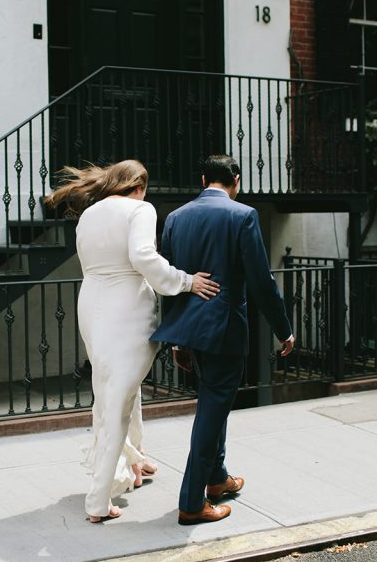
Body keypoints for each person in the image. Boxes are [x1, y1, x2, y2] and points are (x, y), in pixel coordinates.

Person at [45, 159, 220, 523]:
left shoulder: (89, 215)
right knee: (117, 402)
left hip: (91, 303)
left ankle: (135, 460)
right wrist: (186, 281)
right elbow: (143, 256)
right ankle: (98, 501)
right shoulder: (140, 209)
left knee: (117, 388)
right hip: (125, 307)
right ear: (139, 186)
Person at [151, 154, 295, 525]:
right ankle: (191, 501)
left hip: (191, 330)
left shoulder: (176, 217)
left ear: (203, 179)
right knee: (212, 411)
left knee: (214, 402)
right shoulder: (242, 215)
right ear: (237, 179)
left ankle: (217, 479)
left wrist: (179, 340)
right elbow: (261, 280)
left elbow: (171, 282)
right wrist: (284, 328)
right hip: (225, 329)